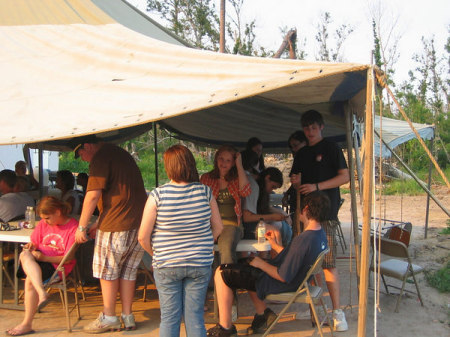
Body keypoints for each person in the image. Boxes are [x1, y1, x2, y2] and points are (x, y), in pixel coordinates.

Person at [206, 191, 329, 337]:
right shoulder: (319, 235)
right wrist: (274, 245)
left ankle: (226, 327)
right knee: (244, 265)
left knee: (222, 272)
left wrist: (260, 263)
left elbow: (283, 275)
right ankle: (263, 315)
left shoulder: (303, 239)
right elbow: (295, 259)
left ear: (306, 208)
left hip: (283, 283)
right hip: (298, 280)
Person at [138, 145, 223, 337]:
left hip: (167, 265)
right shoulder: (206, 192)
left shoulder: (157, 195)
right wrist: (205, 245)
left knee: (169, 318)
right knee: (195, 318)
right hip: (199, 264)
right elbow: (218, 227)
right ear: (191, 164)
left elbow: (143, 236)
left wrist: (156, 254)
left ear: (169, 167)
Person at [72, 135, 147, 333]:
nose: (83, 158)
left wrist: (81, 227)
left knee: (107, 272)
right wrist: (98, 222)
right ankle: (128, 316)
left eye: (81, 153)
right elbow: (121, 194)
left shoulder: (101, 157)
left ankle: (109, 317)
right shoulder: (121, 154)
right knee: (128, 271)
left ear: (87, 146)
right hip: (138, 223)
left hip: (117, 224)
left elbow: (93, 194)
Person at [290, 110, 349, 332]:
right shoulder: (302, 154)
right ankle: (318, 307)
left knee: (328, 263)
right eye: (307, 128)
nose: (310, 132)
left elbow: (345, 176)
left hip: (326, 215)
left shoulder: (332, 148)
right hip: (306, 216)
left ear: (321, 127)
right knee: (309, 265)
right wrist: (297, 182)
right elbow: (297, 182)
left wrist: (317, 186)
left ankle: (337, 311)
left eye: (313, 128)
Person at [6, 196, 78, 336]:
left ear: (57, 212)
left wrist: (45, 257)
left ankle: (27, 323)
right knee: (24, 254)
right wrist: (31, 246)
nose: (45, 222)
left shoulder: (73, 227)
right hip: (38, 261)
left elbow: (67, 259)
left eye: (47, 218)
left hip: (57, 265)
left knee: (30, 280)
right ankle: (42, 293)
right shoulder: (44, 224)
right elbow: (35, 242)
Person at [200, 145, 251, 264]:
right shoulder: (206, 178)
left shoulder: (237, 178)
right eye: (221, 159)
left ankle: (227, 278)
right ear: (216, 159)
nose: (224, 163)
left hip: (232, 225)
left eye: (228, 161)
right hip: (210, 225)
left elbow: (245, 191)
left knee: (226, 246)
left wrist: (239, 165)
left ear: (233, 163)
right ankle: (210, 281)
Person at [242, 166, 292, 247]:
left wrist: (280, 212)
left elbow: (260, 207)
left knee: (279, 219)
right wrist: (272, 217)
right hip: (247, 227)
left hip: (254, 224)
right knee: (277, 228)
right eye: (272, 186)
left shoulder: (259, 188)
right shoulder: (253, 187)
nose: (271, 190)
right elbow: (247, 217)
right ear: (267, 178)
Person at [284, 130, 308, 228]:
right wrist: (288, 193)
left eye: (296, 145)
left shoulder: (308, 157)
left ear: (305, 143)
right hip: (296, 201)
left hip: (306, 202)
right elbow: (294, 181)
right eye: (292, 147)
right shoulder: (298, 158)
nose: (294, 149)